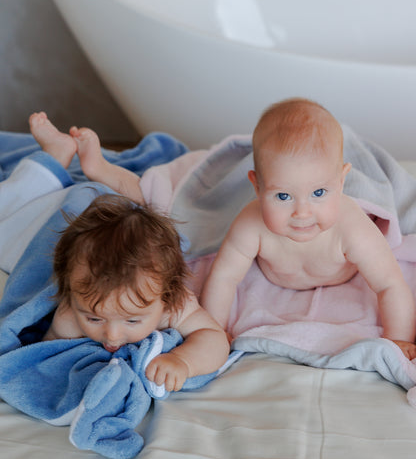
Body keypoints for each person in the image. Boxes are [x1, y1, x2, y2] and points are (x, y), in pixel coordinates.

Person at [27, 111, 230, 391]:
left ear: (167, 298)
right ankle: (55, 160)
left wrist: (183, 361)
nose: (111, 334)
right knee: (31, 212)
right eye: (94, 317)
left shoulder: (173, 305)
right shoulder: (68, 317)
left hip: (152, 222)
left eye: (133, 319)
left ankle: (85, 166)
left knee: (145, 204)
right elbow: (45, 362)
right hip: (79, 210)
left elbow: (215, 339)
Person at [200, 97, 416, 359]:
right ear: (257, 187)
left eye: (319, 192)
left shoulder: (352, 228)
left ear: (341, 180)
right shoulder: (250, 225)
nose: (302, 213)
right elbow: (223, 278)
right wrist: (212, 331)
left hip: (342, 270)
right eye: (283, 196)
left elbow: (390, 285)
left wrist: (398, 339)